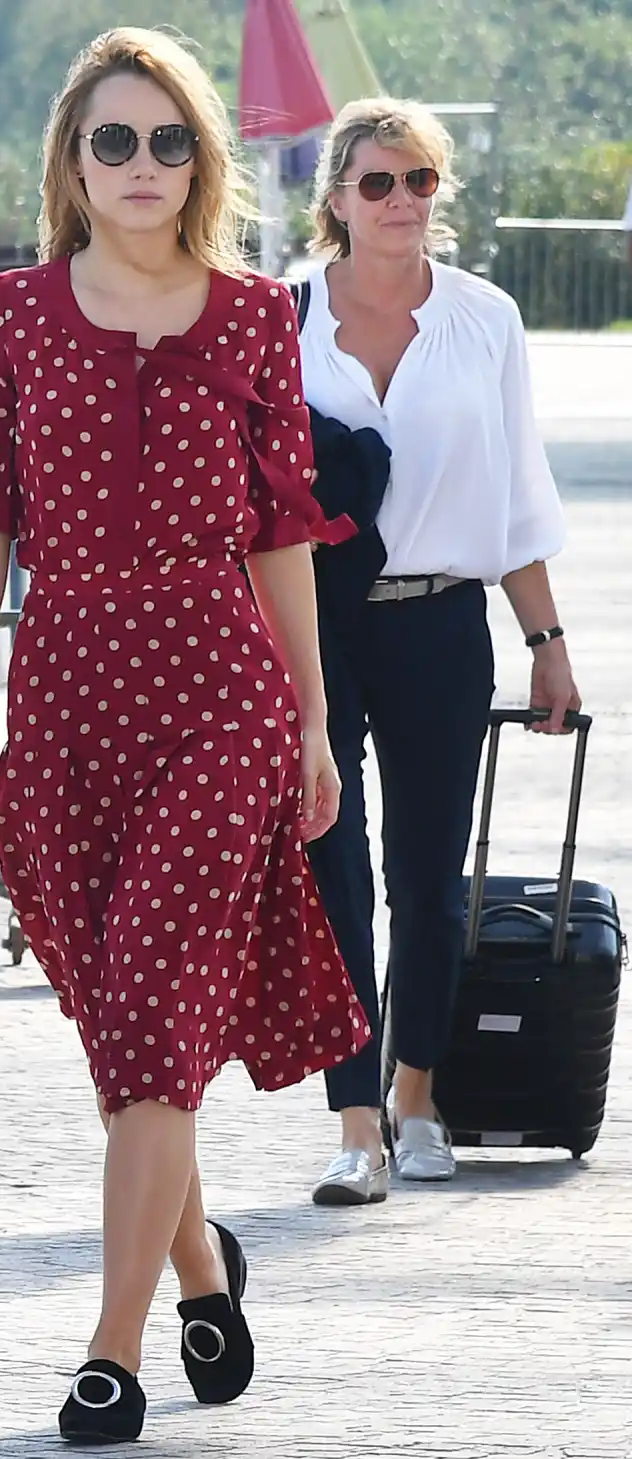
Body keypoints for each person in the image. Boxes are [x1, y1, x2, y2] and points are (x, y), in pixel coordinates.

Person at [0, 26, 368, 1446]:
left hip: (217, 701)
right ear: (71, 159)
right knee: (129, 1020)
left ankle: (108, 1351)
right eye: (112, 140)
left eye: (168, 139)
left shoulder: (255, 316)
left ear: (203, 159)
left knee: (155, 1002)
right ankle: (197, 1266)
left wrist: (309, 715)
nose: (140, 164)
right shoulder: (7, 314)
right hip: (66, 696)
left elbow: (281, 534)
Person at [293, 97, 581, 1208]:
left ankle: (418, 1094)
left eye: (419, 181)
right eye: (377, 183)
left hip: (441, 619)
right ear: (336, 200)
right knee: (332, 872)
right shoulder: (280, 318)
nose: (402, 201)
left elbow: (515, 493)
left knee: (424, 871)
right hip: (314, 624)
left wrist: (545, 640)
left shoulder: (484, 319)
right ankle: (353, 1118)